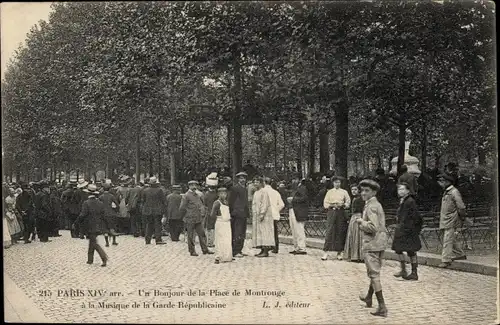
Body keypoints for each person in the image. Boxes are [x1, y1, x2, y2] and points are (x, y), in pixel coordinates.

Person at [357, 179, 388, 317]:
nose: (363, 193)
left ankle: (382, 306)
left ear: (374, 192)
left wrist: (361, 222)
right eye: (362, 190)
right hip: (379, 243)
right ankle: (369, 297)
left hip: (371, 244)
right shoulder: (375, 204)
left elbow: (373, 227)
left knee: (374, 274)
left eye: (367, 191)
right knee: (373, 271)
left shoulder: (371, 206)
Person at [392, 182, 423, 280]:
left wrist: (413, 229)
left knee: (411, 251)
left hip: (408, 230)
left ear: (408, 191)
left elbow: (416, 217)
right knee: (398, 249)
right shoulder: (403, 201)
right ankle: (403, 269)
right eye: (399, 189)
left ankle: (414, 272)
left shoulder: (410, 201)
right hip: (401, 229)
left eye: (402, 189)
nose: (400, 191)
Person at [73, 184, 108, 267]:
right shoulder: (100, 203)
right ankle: (90, 259)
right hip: (98, 225)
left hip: (89, 225)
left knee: (94, 243)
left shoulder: (86, 203)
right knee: (92, 242)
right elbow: (103, 215)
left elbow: (82, 215)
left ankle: (104, 257)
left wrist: (76, 223)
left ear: (88, 194)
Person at [437, 173, 467, 268]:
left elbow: (461, 206)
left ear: (447, 182)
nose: (440, 183)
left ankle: (446, 260)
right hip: (446, 219)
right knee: (450, 239)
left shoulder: (454, 192)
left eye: (442, 181)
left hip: (451, 220)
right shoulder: (447, 191)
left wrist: (462, 217)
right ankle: (460, 254)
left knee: (447, 240)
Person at [179, 180, 213, 256]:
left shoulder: (198, 195)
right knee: (190, 235)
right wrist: (186, 216)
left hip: (198, 218)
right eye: (192, 185)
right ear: (189, 186)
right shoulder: (186, 195)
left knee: (202, 234)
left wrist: (201, 212)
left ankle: (205, 249)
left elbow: (200, 204)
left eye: (196, 185)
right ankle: (192, 251)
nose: (194, 187)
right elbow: (182, 208)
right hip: (190, 218)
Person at [322, 176, 351, 261]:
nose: (337, 184)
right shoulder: (329, 192)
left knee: (340, 231)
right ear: (333, 183)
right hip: (331, 212)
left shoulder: (344, 192)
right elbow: (325, 203)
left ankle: (339, 252)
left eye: (338, 182)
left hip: (340, 212)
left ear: (340, 183)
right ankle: (325, 252)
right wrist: (331, 205)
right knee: (329, 231)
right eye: (335, 182)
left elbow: (348, 202)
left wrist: (343, 205)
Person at [251, 177, 275, 257]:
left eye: (257, 182)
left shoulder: (264, 192)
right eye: (254, 182)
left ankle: (266, 250)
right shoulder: (256, 192)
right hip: (257, 215)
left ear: (261, 183)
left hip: (264, 216)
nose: (255, 184)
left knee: (265, 231)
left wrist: (262, 213)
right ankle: (261, 249)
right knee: (260, 232)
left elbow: (265, 203)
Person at [228, 172, 250, 258]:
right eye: (241, 178)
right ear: (238, 179)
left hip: (243, 213)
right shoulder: (235, 188)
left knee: (242, 233)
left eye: (244, 178)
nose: (243, 180)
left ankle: (240, 249)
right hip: (236, 213)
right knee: (237, 232)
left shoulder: (245, 188)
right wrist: (232, 212)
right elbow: (231, 201)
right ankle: (235, 250)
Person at [140, 177, 167, 245]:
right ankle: (158, 239)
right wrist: (164, 209)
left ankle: (147, 240)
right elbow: (164, 201)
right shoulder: (160, 190)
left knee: (149, 225)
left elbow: (143, 201)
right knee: (158, 225)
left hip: (148, 211)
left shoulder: (145, 190)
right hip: (157, 210)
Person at [262, 177, 285, 254]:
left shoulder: (262, 192)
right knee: (275, 231)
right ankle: (275, 247)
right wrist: (275, 210)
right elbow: (282, 204)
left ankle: (266, 248)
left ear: (264, 183)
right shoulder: (276, 192)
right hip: (274, 215)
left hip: (266, 215)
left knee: (266, 232)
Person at [211, 187, 233, 264]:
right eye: (221, 193)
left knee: (227, 239)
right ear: (218, 194)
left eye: (225, 193)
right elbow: (212, 214)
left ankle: (227, 256)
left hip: (227, 223)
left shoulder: (226, 202)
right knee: (220, 240)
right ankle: (218, 256)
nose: (223, 195)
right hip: (220, 222)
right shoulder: (216, 203)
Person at [344, 184, 364, 262]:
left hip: (358, 217)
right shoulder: (355, 199)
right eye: (352, 190)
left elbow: (358, 210)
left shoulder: (360, 199)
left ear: (359, 190)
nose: (354, 191)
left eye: (355, 189)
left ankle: (357, 255)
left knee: (357, 236)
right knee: (354, 235)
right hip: (354, 217)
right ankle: (355, 255)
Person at [289, 178, 309, 255]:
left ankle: (301, 248)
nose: (293, 181)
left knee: (299, 230)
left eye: (294, 179)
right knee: (294, 229)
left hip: (299, 211)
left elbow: (304, 198)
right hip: (293, 209)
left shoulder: (303, 188)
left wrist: (293, 199)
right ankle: (296, 246)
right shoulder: (295, 188)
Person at [99, 183, 120, 247]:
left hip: (103, 214)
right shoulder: (112, 196)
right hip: (111, 213)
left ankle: (107, 242)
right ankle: (114, 241)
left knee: (105, 228)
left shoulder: (101, 197)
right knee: (112, 227)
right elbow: (117, 205)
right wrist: (116, 210)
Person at [204, 174, 219, 248]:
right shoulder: (216, 194)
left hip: (208, 212)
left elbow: (205, 204)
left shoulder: (206, 194)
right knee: (213, 227)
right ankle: (211, 242)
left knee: (209, 227)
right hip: (215, 213)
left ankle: (209, 241)